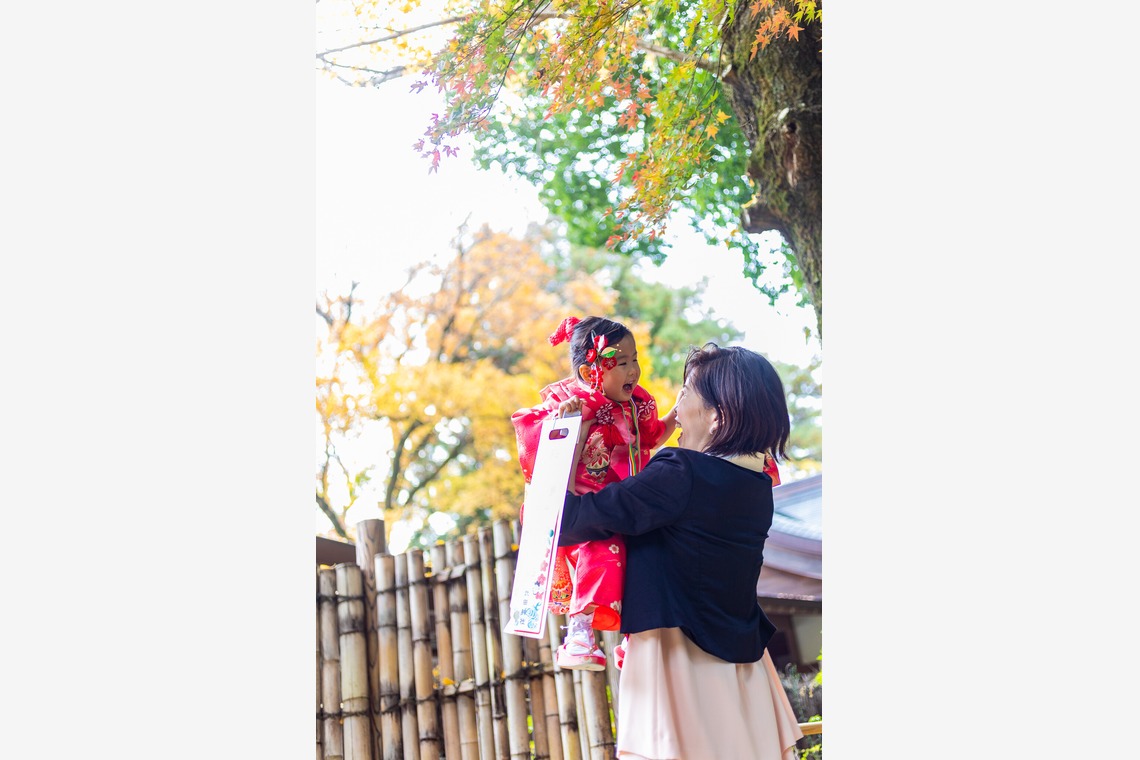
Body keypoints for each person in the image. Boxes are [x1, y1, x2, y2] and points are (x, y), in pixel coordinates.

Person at [556, 342, 805, 759]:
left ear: (717, 417)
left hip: (679, 659)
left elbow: (566, 520)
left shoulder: (682, 473)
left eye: (686, 393)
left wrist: (569, 442)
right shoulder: (756, 486)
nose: (675, 407)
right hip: (744, 667)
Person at [512, 315, 677, 670]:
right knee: (602, 552)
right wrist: (569, 423)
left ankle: (632, 639)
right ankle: (580, 633)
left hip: (624, 501)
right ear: (590, 374)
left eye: (635, 360)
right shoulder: (569, 403)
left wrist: (677, 415)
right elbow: (542, 457)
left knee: (648, 557)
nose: (633, 370)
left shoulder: (637, 404)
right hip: (582, 508)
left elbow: (651, 438)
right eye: (621, 363)